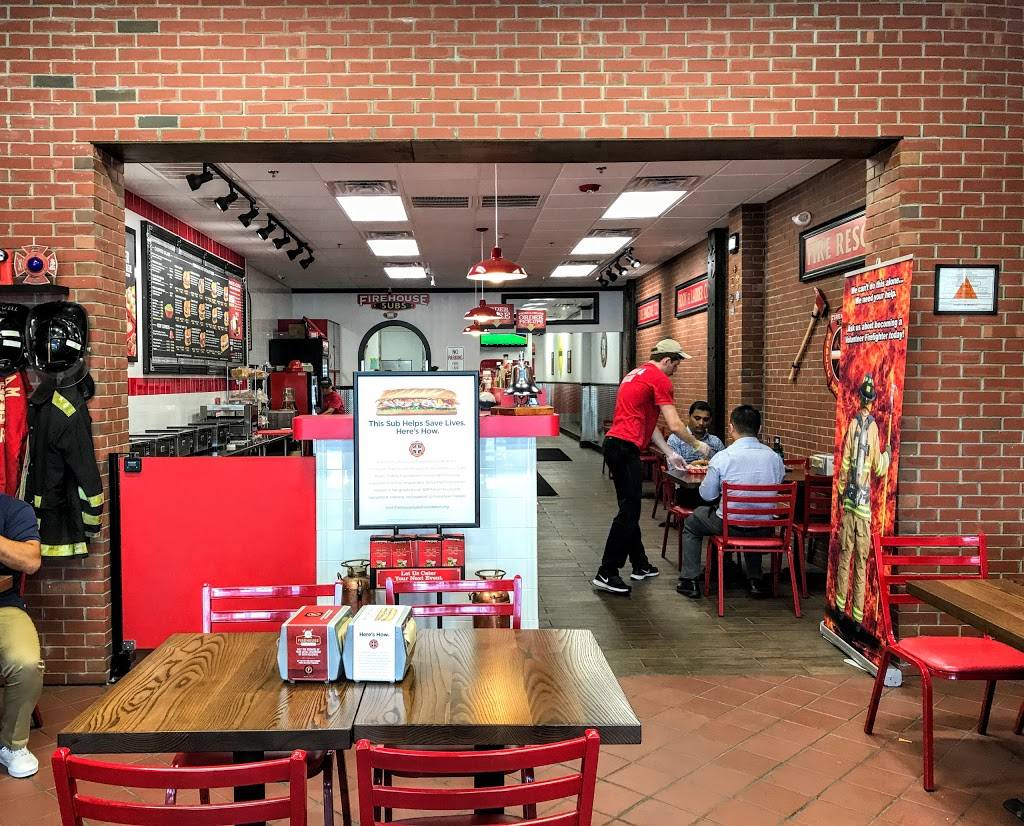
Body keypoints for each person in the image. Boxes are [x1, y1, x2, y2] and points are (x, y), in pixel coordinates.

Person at [592, 339, 712, 595]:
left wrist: (670, 453)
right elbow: (676, 425)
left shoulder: (635, 374)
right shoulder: (660, 379)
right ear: (666, 360)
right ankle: (607, 571)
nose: (677, 369)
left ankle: (640, 564)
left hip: (615, 445)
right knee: (629, 511)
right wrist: (697, 445)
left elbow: (650, 424)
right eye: (676, 364)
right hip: (625, 448)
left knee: (629, 507)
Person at [676, 405, 784, 600]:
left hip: (729, 526)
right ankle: (755, 580)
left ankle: (689, 580)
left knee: (692, 523)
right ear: (759, 429)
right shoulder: (774, 458)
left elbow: (707, 496)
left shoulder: (722, 457)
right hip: (764, 527)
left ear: (731, 427)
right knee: (754, 515)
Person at [834, 373, 890, 624]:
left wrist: (841, 491)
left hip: (849, 503)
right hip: (864, 507)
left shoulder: (853, 425)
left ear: (859, 398)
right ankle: (857, 617)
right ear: (873, 400)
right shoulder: (874, 428)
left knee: (845, 556)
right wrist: (887, 454)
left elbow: (845, 462)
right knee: (861, 562)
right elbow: (878, 467)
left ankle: (839, 607)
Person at [0, 493, 44, 778]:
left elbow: (31, 561)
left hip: (3, 606)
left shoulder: (13, 510)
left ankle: (12, 745)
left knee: (26, 664)